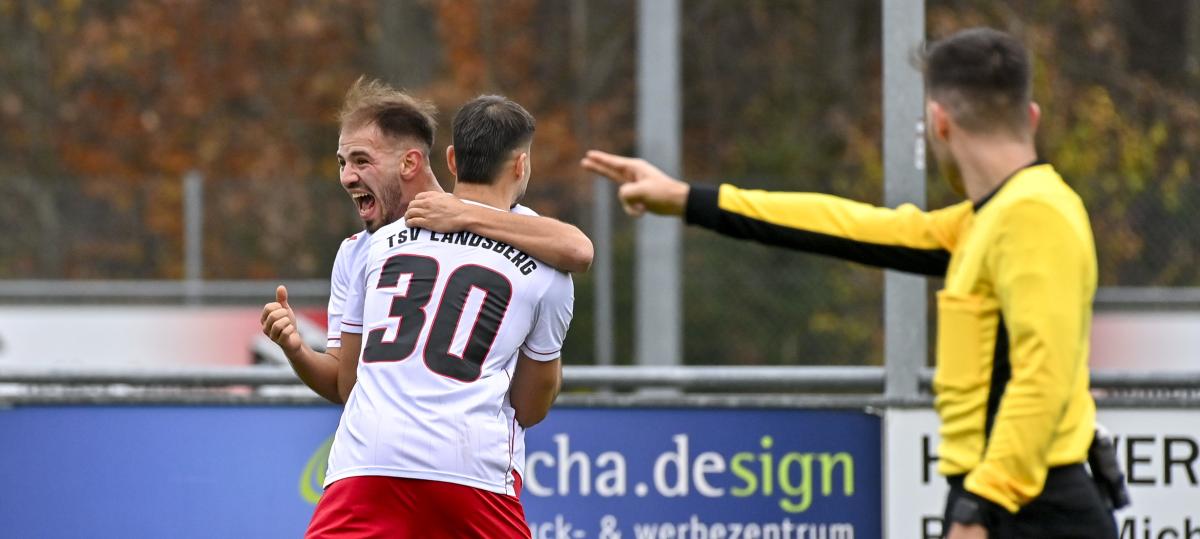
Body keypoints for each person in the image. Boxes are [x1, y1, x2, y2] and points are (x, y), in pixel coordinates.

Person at [582, 28, 1115, 539]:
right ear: (1031, 116)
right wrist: (688, 199)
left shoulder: (1033, 216)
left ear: (939, 122)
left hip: (1030, 507)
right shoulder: (990, 218)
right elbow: (848, 226)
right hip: (1011, 500)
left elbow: (1042, 375)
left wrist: (982, 506)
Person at [306, 95, 574, 537]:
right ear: (521, 165)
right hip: (472, 471)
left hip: (368, 462)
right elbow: (530, 407)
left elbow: (348, 381)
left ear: (450, 160)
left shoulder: (377, 244)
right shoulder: (546, 264)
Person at [260, 77, 591, 404]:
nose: (346, 177)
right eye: (341, 163)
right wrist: (296, 349)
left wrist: (464, 214)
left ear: (410, 162)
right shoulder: (357, 251)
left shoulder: (504, 222)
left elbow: (578, 249)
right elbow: (346, 386)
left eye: (361, 160)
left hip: (459, 430)